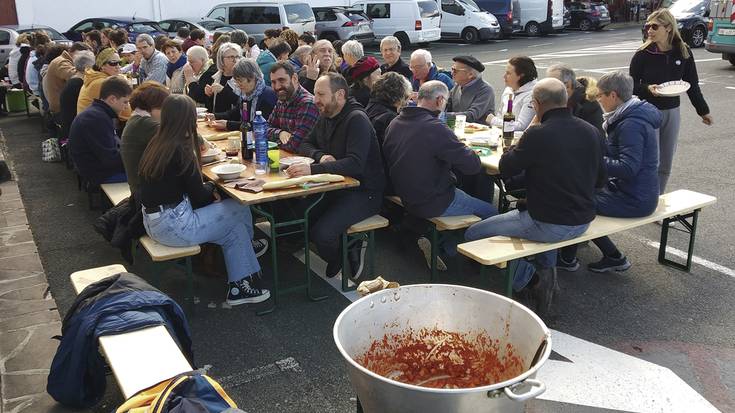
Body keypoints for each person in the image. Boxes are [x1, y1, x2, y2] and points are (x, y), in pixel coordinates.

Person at [465, 78, 606, 317]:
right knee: (540, 228)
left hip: (547, 221)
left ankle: (529, 280)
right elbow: (600, 180)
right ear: (566, 100)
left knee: (471, 234)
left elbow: (506, 167)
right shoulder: (591, 130)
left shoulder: (538, 134)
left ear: (537, 104)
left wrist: (521, 138)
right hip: (582, 219)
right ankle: (547, 278)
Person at [137, 94, 269, 306]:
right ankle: (248, 251)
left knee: (234, 228)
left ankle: (239, 286)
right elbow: (199, 195)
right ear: (188, 118)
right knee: (238, 206)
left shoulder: (157, 142)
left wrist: (210, 189)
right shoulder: (181, 148)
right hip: (175, 225)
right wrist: (214, 184)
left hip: (154, 221)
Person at [384, 80, 497, 270]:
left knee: (466, 197)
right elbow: (472, 166)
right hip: (434, 199)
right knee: (491, 213)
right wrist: (465, 149)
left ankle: (443, 245)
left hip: (405, 193)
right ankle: (452, 249)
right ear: (440, 100)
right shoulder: (435, 128)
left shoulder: (396, 122)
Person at [559, 72, 661, 273]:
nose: (598, 100)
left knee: (575, 200)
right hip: (632, 191)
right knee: (579, 193)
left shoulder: (632, 123)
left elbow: (628, 167)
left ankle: (568, 257)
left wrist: (593, 159)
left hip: (634, 198)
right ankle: (611, 256)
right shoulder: (630, 115)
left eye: (600, 96)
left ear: (613, 95)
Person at [286, 73, 385, 279]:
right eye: (315, 94)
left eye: (321, 94)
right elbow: (305, 143)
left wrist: (313, 169)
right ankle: (347, 243)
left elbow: (356, 164)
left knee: (322, 234)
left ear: (340, 95)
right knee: (300, 217)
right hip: (336, 187)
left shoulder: (357, 119)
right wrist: (320, 156)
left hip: (364, 192)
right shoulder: (326, 115)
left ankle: (345, 250)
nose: (316, 100)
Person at [629, 8, 712, 194]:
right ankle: (644, 198)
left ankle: (658, 200)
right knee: (651, 160)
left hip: (672, 112)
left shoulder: (683, 52)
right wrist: (647, 88)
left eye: (654, 26)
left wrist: (703, 111)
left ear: (668, 28)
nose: (649, 30)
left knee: (666, 161)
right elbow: (631, 84)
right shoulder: (643, 53)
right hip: (648, 111)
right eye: (647, 26)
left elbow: (692, 85)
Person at [69, 77, 132, 184]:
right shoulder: (97, 119)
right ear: (112, 99)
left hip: (96, 168)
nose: (127, 107)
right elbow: (110, 159)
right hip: (98, 173)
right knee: (149, 176)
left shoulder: (97, 113)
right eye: (125, 102)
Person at [120, 82, 170, 194]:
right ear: (152, 107)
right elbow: (183, 138)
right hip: (147, 195)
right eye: (163, 108)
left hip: (139, 189)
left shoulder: (136, 119)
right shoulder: (145, 124)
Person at [209, 58, 277, 131]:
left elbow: (259, 124)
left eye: (240, 81)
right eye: (236, 81)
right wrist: (215, 116)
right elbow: (235, 113)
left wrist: (228, 125)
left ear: (253, 77)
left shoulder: (268, 95)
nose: (238, 85)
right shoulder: (245, 95)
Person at [267, 62, 319, 152]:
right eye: (273, 82)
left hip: (304, 163)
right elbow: (263, 129)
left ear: (294, 78)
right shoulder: (282, 99)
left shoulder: (307, 104)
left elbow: (295, 145)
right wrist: (279, 133)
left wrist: (271, 140)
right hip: (286, 158)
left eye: (281, 80)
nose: (277, 86)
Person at [486, 56, 538, 132]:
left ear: (521, 76)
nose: (504, 76)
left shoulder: (532, 95)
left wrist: (493, 121)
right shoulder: (508, 90)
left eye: (508, 73)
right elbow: (500, 115)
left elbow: (522, 126)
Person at [76, 48, 131, 120]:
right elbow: (126, 113)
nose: (118, 66)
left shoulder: (95, 76)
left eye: (119, 63)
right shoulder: (101, 82)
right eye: (113, 63)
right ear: (102, 66)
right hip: (92, 125)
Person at [546, 63, 603, 131]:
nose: (548, 88)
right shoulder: (551, 101)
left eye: (552, 84)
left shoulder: (589, 105)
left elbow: (597, 136)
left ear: (568, 85)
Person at [43, 42, 92, 116]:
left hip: (61, 107)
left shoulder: (63, 60)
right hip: (60, 111)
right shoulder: (61, 62)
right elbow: (76, 77)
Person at [446, 55, 495, 124]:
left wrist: (444, 116)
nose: (452, 73)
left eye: (455, 70)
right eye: (452, 69)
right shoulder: (457, 86)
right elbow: (447, 107)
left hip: (480, 132)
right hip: (459, 128)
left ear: (470, 75)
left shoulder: (485, 90)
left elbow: (472, 115)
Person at [59, 51, 95, 140]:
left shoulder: (74, 80)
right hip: (73, 131)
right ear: (88, 67)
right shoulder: (79, 84)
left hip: (69, 126)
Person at [201, 43, 242, 113]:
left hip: (233, 122)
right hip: (216, 121)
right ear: (221, 59)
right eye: (231, 57)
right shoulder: (215, 77)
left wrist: (223, 91)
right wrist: (209, 95)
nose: (235, 60)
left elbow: (242, 103)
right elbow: (213, 106)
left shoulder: (242, 78)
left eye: (238, 57)